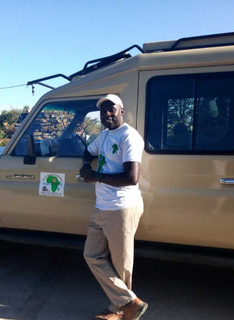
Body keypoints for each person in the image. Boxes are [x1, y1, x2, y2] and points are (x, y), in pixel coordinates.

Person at [80, 94, 147, 320]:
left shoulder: (130, 137)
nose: (106, 114)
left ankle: (119, 311)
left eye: (111, 109)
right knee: (91, 254)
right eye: (102, 111)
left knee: (121, 263)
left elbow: (131, 177)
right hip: (102, 207)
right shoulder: (105, 136)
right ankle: (129, 303)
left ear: (121, 110)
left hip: (122, 207)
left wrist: (95, 177)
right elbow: (88, 152)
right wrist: (85, 167)